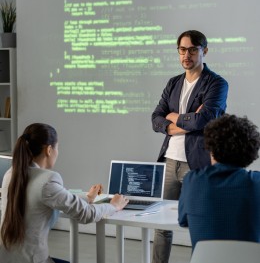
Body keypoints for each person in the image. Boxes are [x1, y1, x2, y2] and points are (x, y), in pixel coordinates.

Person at [0, 123, 129, 263]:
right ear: (49, 150)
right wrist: (113, 206)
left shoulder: (11, 174)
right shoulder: (48, 179)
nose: (57, 152)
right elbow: (85, 214)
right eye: (57, 147)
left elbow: (56, 196)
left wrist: (88, 197)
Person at [151, 30, 228, 262]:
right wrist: (185, 120)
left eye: (193, 49)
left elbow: (204, 120)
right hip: (169, 161)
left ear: (204, 51)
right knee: (161, 225)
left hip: (197, 163)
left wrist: (173, 116)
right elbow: (156, 119)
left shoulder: (217, 83)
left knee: (199, 223)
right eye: (182, 50)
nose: (187, 55)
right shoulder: (173, 82)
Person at [178, 114, 260, 249]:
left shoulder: (192, 180)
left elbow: (183, 221)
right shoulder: (256, 183)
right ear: (251, 151)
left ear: (210, 148)